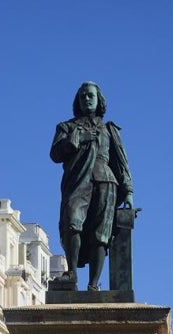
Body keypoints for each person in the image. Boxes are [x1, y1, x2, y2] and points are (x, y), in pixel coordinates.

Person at [50, 81, 133, 292]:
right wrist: (76, 140)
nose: (87, 99)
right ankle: (72, 275)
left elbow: (121, 161)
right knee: (72, 222)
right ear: (78, 101)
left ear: (99, 101)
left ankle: (93, 285)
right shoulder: (67, 127)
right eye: (83, 96)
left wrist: (129, 191)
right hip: (78, 181)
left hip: (106, 182)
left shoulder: (109, 130)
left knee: (100, 235)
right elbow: (55, 154)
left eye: (90, 96)